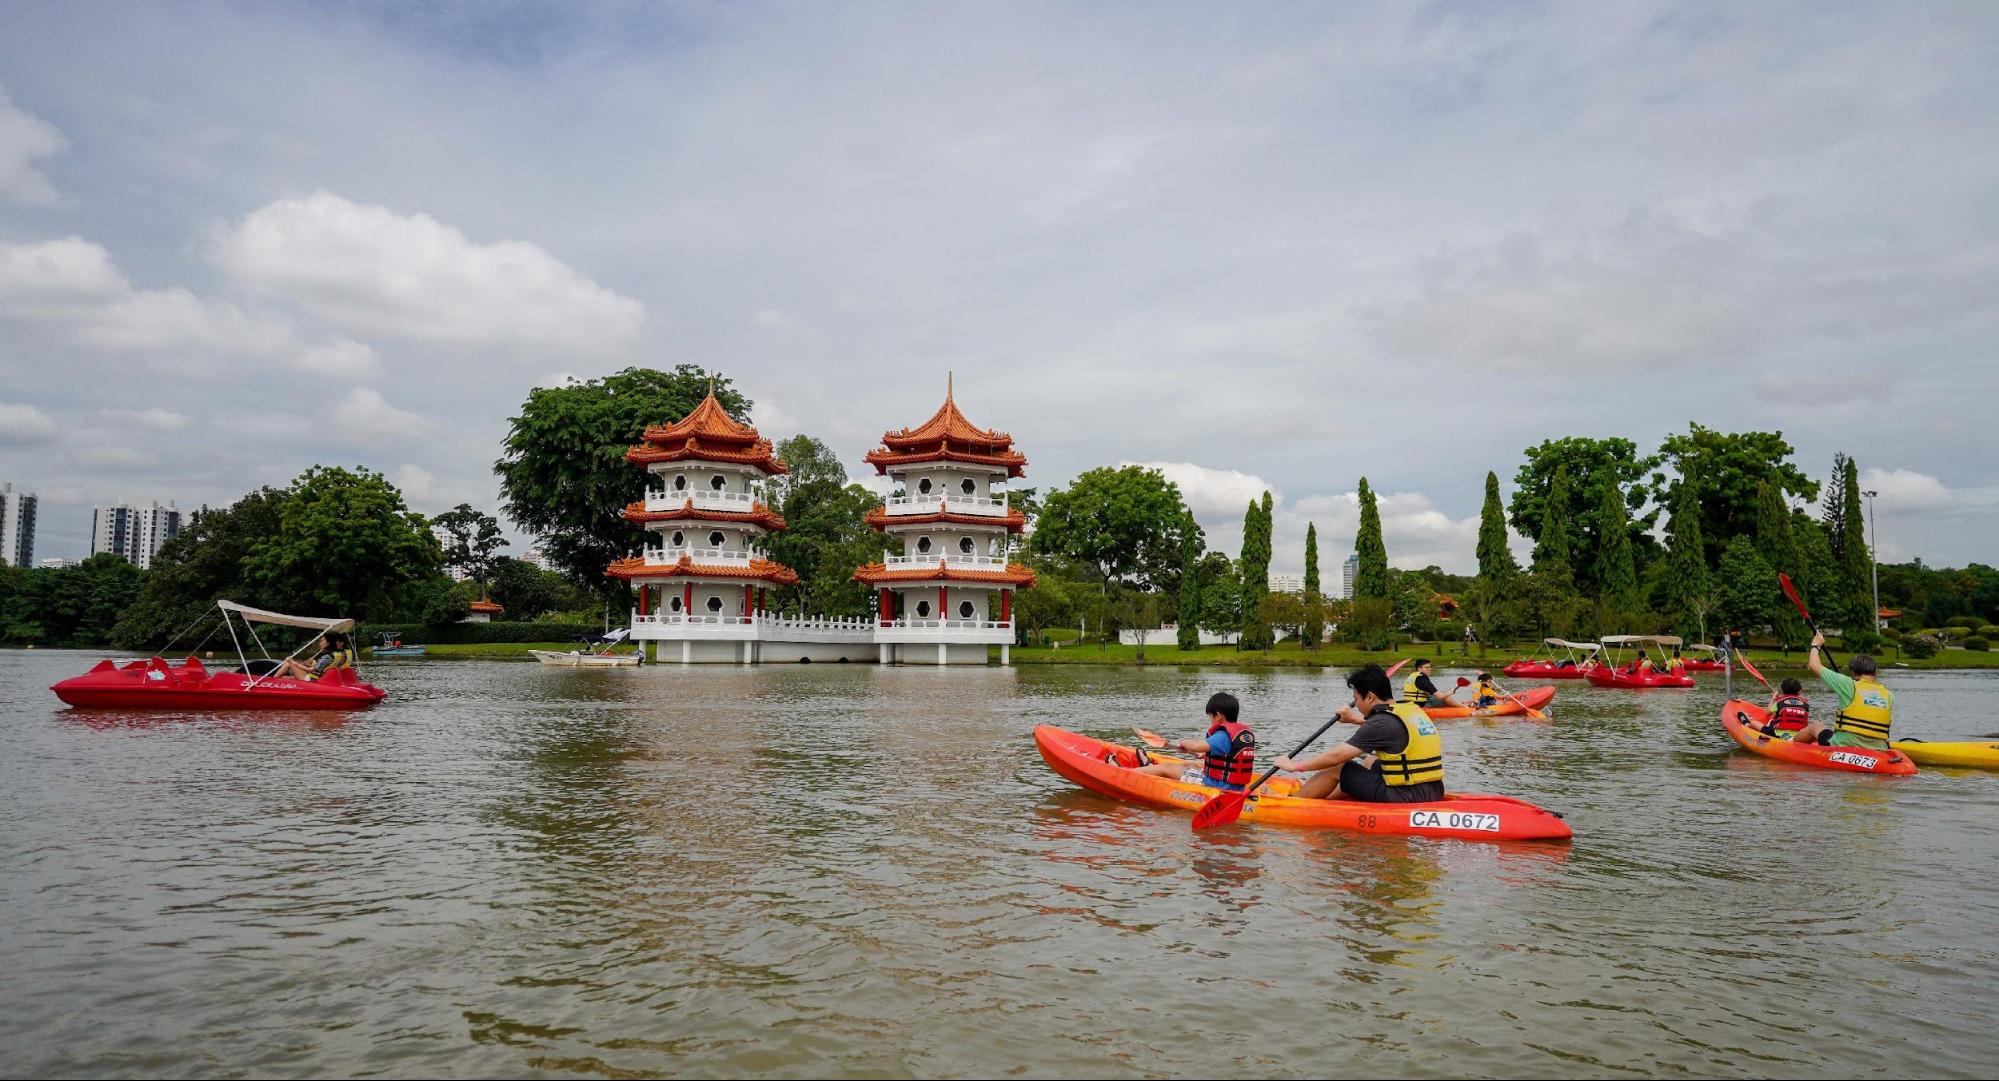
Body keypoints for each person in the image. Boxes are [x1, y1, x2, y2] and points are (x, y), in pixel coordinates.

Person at [1274, 664, 1444, 803]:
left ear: (1370, 697)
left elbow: (1336, 756)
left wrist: (1295, 766)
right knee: (1371, 761)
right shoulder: (1410, 709)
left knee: (1339, 767)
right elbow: (1393, 730)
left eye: (1356, 699)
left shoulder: (1381, 722)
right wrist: (1354, 720)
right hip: (1433, 791)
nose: (1357, 704)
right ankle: (1328, 797)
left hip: (1406, 797)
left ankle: (1292, 802)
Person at [1106, 692, 1255, 792]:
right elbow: (1219, 753)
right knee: (1188, 765)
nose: (1210, 720)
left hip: (1215, 786)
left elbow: (1197, 746)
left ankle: (1123, 773)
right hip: (1234, 786)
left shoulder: (1222, 735)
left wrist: (1183, 741)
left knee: (1167, 768)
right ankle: (1148, 767)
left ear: (1218, 716)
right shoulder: (1240, 733)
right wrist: (1200, 753)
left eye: (1210, 716)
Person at [1792, 632, 1893, 748]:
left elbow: (1814, 665)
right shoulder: (1888, 694)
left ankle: (1790, 745)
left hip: (1844, 745)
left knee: (1816, 726)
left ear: (1853, 673)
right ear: (1875, 672)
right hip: (1879, 748)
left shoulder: (1847, 684)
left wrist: (1816, 645)